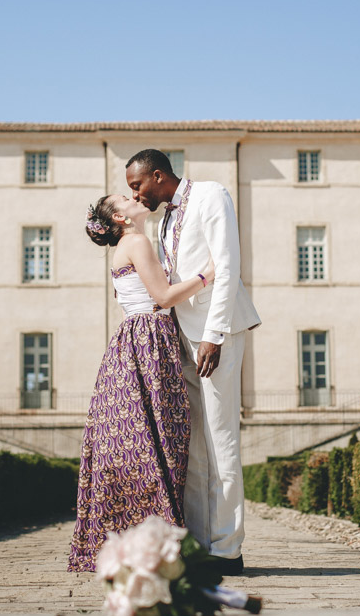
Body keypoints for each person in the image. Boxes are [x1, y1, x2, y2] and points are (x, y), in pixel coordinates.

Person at [125, 149, 261, 575]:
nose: (135, 195)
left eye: (137, 186)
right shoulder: (164, 217)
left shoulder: (210, 196)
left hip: (215, 336)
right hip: (182, 338)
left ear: (158, 175)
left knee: (221, 438)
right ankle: (202, 543)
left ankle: (228, 550)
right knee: (196, 445)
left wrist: (214, 334)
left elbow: (227, 265)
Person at [67, 193, 216, 573]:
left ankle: (133, 541)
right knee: (158, 439)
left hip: (132, 342)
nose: (135, 196)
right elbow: (163, 296)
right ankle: (157, 542)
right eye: (125, 198)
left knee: (138, 441)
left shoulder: (127, 245)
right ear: (120, 216)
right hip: (148, 342)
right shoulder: (135, 241)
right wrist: (208, 275)